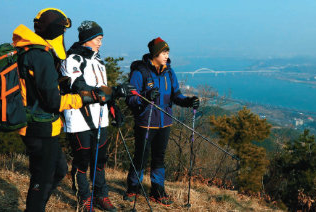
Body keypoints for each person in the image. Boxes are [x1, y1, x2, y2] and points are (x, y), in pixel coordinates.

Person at [13, 8, 111, 211]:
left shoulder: (35, 51)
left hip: (42, 123)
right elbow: (53, 101)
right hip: (39, 125)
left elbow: (39, 88)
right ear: (57, 31)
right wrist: (87, 97)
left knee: (58, 170)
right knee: (43, 177)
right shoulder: (40, 55)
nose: (65, 36)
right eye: (63, 31)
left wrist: (59, 82)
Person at [62, 20, 130, 212]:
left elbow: (104, 90)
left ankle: (101, 195)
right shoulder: (73, 59)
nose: (100, 43)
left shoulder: (98, 61)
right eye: (98, 39)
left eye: (101, 39)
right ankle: (84, 199)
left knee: (100, 159)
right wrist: (114, 91)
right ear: (87, 39)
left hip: (101, 119)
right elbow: (79, 88)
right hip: (78, 119)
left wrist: (114, 107)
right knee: (82, 160)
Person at [124, 37, 199, 206]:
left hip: (165, 121)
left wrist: (188, 102)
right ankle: (133, 188)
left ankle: (157, 191)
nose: (167, 55)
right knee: (141, 157)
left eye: (168, 52)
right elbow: (131, 99)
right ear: (155, 53)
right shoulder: (140, 72)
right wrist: (145, 98)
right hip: (146, 122)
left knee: (159, 158)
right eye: (164, 52)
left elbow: (176, 95)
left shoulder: (169, 72)